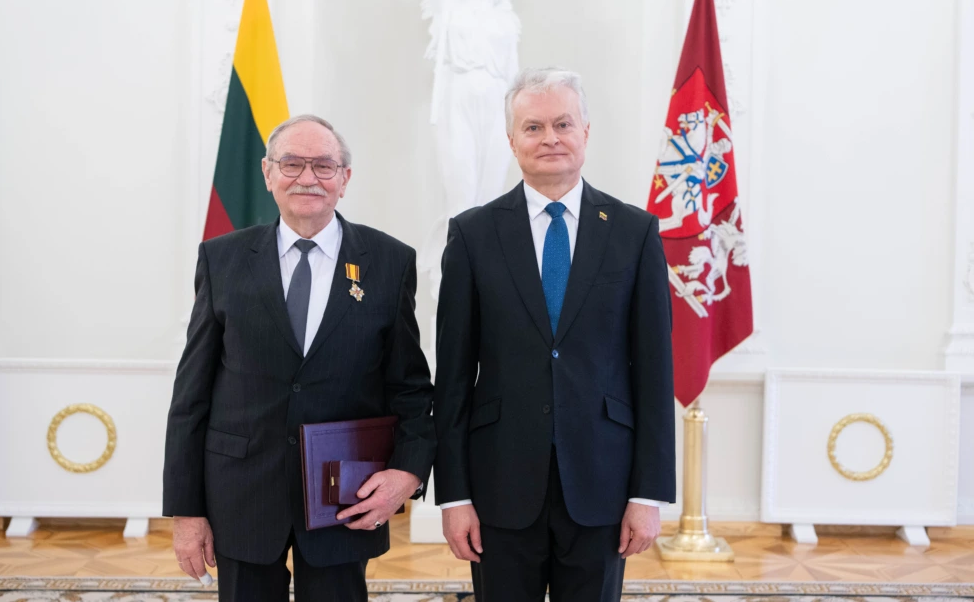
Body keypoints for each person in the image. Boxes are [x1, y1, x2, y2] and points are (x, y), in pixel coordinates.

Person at [163, 114, 435, 602]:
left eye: (324, 165)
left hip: (344, 496)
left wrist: (408, 473)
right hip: (242, 493)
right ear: (268, 173)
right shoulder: (221, 259)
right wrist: (186, 511)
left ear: (344, 179)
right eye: (291, 163)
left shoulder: (390, 261)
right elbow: (191, 395)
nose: (308, 177)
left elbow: (410, 387)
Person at [434, 67, 676, 602]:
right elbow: (452, 377)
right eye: (533, 127)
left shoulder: (634, 232)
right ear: (511, 139)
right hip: (498, 485)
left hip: (603, 484)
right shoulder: (473, 234)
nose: (550, 138)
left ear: (585, 132)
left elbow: (655, 371)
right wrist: (453, 497)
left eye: (563, 124)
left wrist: (649, 493)